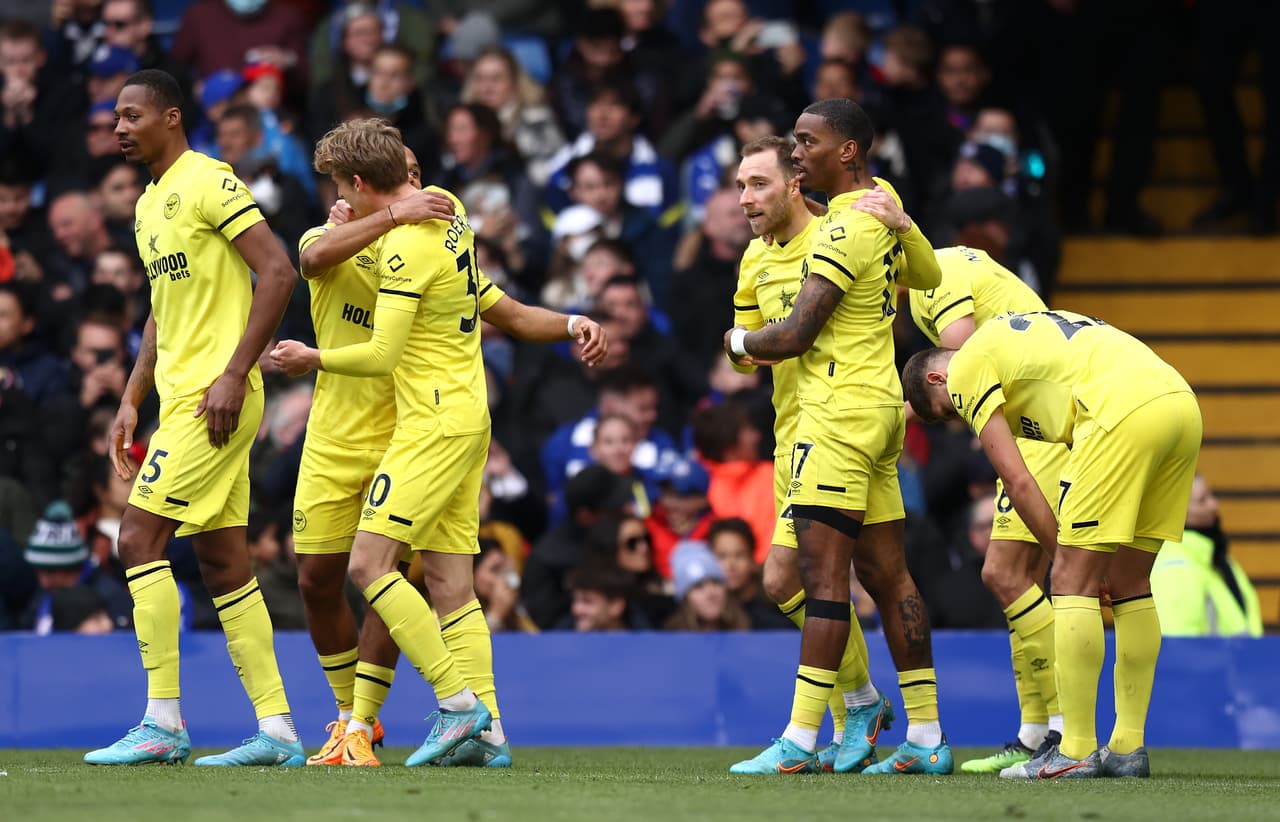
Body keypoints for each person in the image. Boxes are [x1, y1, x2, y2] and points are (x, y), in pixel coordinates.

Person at [267, 118, 585, 769]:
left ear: (356, 183)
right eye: (408, 175)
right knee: (448, 581)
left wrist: (312, 357)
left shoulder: (409, 247)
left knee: (367, 568)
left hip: (430, 423)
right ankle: (489, 733)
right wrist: (576, 321)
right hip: (466, 418)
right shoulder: (450, 218)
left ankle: (458, 705)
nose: (420, 184)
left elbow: (384, 353)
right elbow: (314, 257)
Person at [724, 100, 951, 776]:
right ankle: (927, 735)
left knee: (823, 580)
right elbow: (927, 277)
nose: (799, 154)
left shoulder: (840, 231)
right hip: (868, 413)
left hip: (835, 418)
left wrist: (738, 340)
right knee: (882, 575)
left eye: (806, 143)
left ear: (845, 152)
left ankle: (801, 736)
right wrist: (907, 225)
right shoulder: (881, 203)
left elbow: (793, 336)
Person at [84, 69, 303, 767]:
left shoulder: (210, 180)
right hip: (179, 397)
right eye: (116, 119)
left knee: (137, 538)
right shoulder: (150, 205)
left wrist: (235, 374)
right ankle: (278, 730)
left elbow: (277, 272)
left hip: (216, 397)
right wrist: (129, 396)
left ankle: (163, 722)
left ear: (171, 117)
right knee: (222, 561)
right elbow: (160, 313)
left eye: (131, 115)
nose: (119, 128)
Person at [902, 310, 1201, 779]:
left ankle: (1076, 749)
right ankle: (1127, 748)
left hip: (1117, 410)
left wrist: (1066, 557)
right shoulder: (1013, 343)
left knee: (1068, 581)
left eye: (947, 410)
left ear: (940, 376)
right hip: (1179, 403)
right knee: (1130, 584)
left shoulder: (966, 369)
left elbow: (1018, 482)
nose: (961, 419)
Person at [862, 189, 1066, 773]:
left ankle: (1059, 728)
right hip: (1042, 412)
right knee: (1015, 576)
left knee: (1005, 572)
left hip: (1041, 422)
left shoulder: (936, 277)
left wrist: (893, 413)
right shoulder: (935, 274)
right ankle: (1038, 731)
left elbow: (966, 366)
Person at [1151, 474, 1263, 638]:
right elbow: (1178, 650)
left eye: (1211, 495)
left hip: (1241, 664)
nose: (1214, 505)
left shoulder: (1219, 560)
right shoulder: (1175, 569)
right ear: (1177, 512)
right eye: (1202, 500)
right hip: (1223, 665)